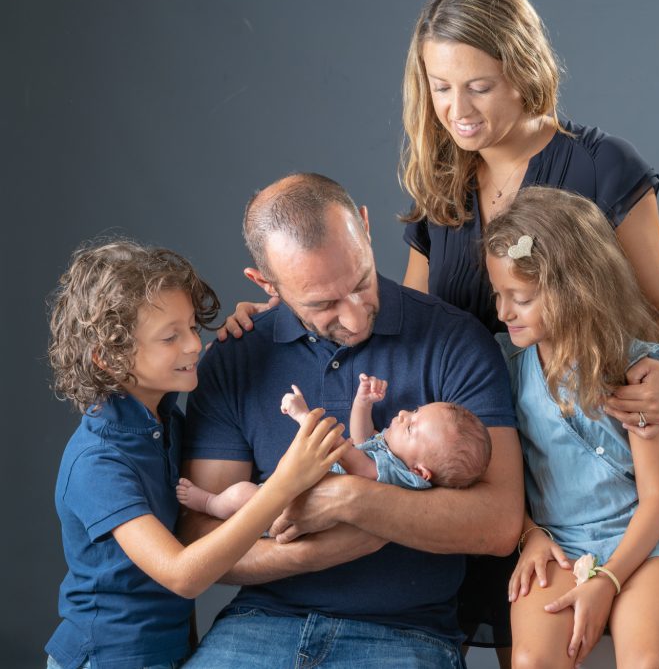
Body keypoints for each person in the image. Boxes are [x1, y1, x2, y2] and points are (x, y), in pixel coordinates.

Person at [217, 0, 659, 654]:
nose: (457, 111)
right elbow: (408, 330)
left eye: (478, 86)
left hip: (575, 453)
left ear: (525, 69)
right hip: (476, 473)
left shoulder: (600, 165)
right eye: (440, 88)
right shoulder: (440, 178)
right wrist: (294, 308)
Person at [178, 172, 521, 668]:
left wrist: (347, 498)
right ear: (265, 284)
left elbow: (498, 523)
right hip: (260, 626)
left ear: (364, 225)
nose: (357, 319)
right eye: (322, 304)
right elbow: (198, 533)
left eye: (361, 282)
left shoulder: (454, 342)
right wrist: (313, 553)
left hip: (406, 635)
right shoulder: (235, 359)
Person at [44, 240, 346, 669]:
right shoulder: (97, 462)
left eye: (190, 327)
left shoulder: (165, 421)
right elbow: (183, 575)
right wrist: (283, 486)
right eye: (170, 336)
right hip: (108, 658)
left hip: (169, 651)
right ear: (107, 358)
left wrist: (282, 312)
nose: (192, 345)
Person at [485, 186, 659, 667]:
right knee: (531, 662)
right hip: (555, 544)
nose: (502, 312)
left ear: (571, 288)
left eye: (519, 298)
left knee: (648, 659)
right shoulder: (506, 369)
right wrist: (529, 534)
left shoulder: (634, 369)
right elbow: (497, 479)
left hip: (645, 540)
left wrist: (610, 580)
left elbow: (658, 498)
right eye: (498, 295)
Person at [177, 376, 492, 521]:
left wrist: (304, 416)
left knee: (242, 495)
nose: (403, 414)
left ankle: (209, 504)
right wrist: (362, 402)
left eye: (411, 426)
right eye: (416, 410)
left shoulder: (401, 478)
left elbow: (350, 454)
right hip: (295, 494)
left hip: (290, 510)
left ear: (421, 471)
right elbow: (361, 437)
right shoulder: (393, 456)